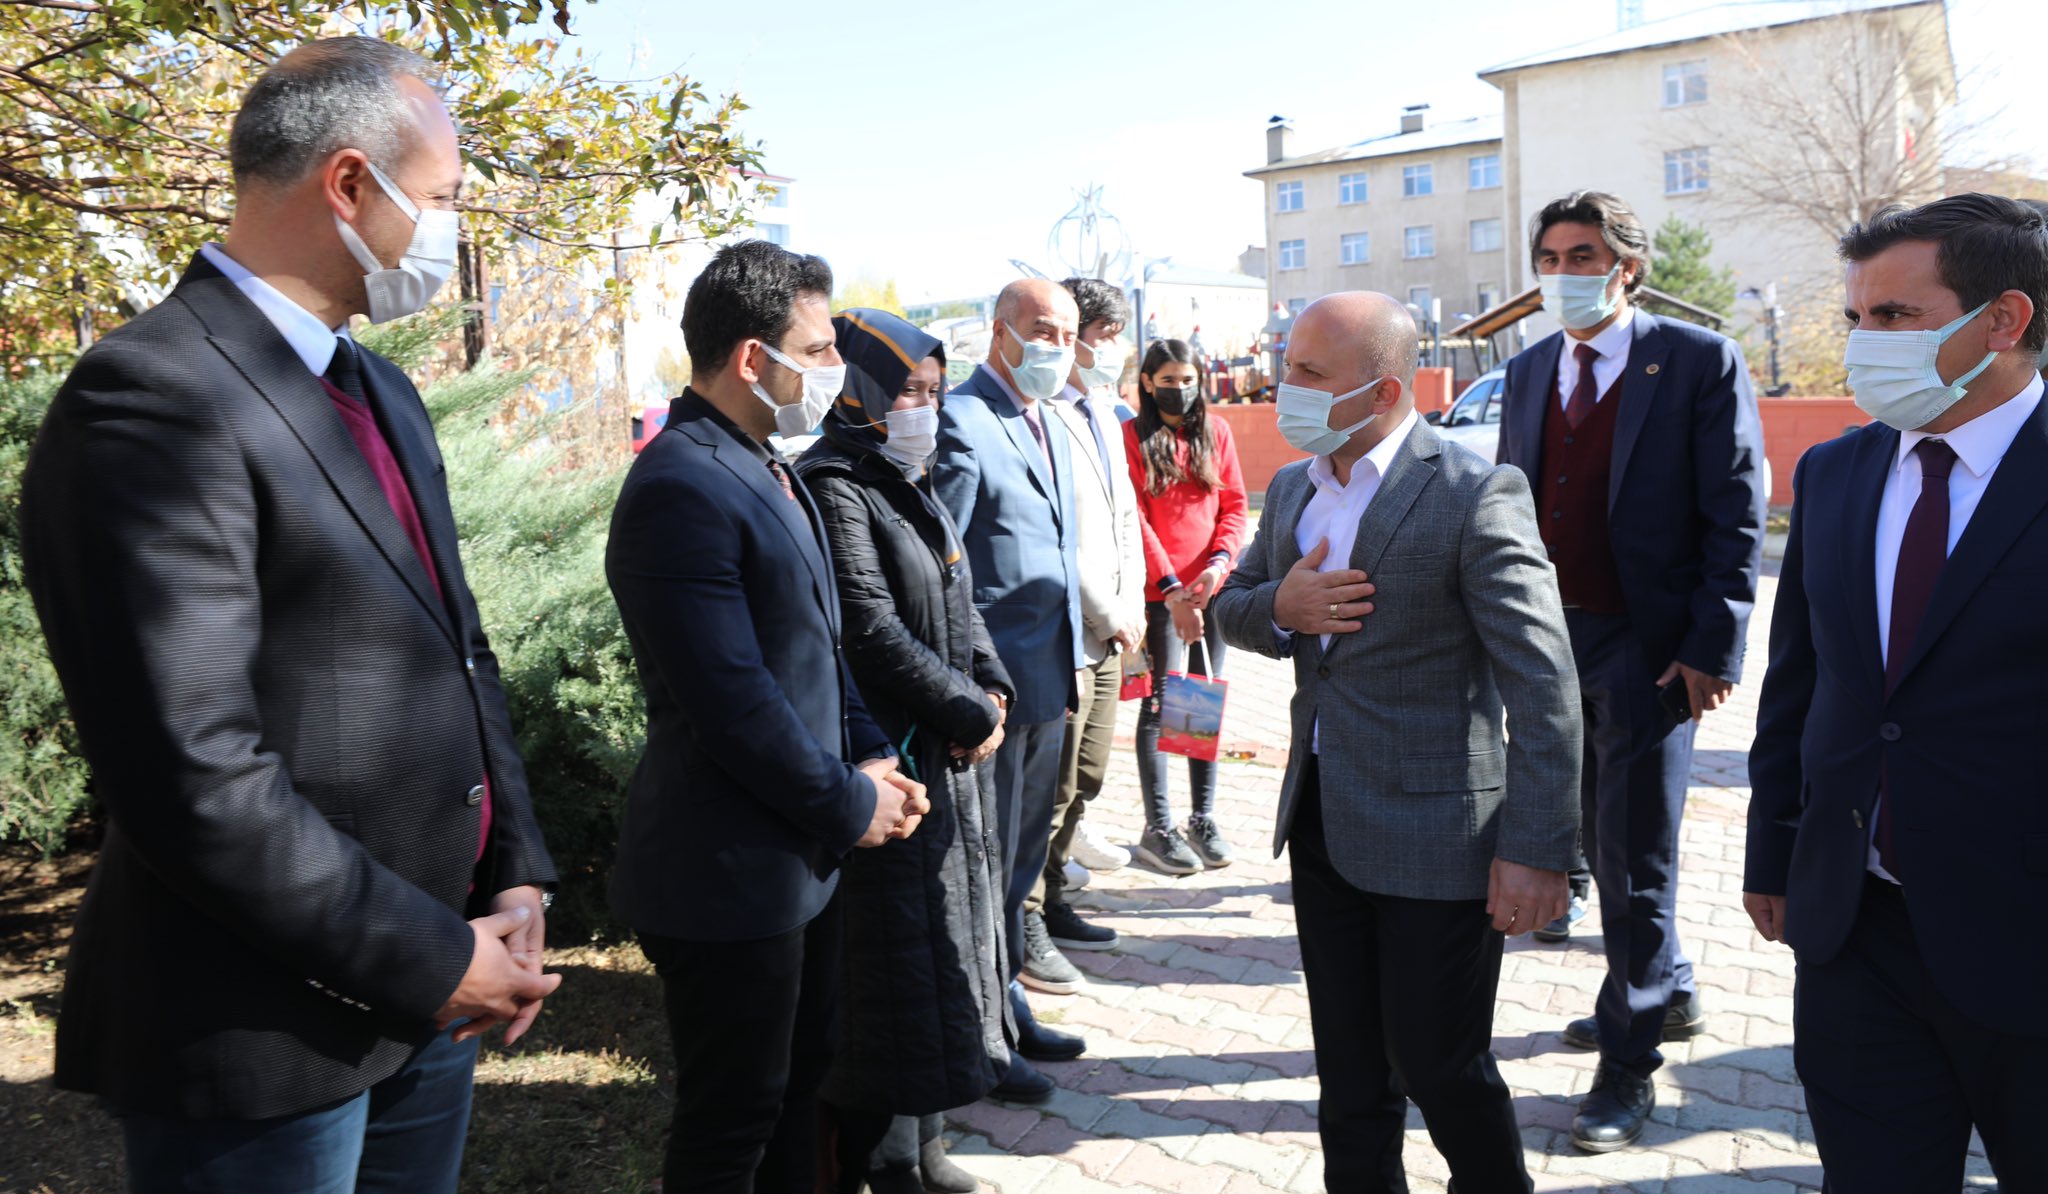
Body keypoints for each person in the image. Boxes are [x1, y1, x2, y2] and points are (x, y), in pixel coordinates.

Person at [17, 38, 560, 1193]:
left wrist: (511, 874)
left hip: (433, 991)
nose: (454, 231)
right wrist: (426, 957)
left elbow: (460, 650)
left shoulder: (381, 389)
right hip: (264, 1031)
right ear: (351, 185)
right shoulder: (153, 395)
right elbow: (192, 772)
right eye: (448, 197)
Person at [1212, 291, 1581, 1194]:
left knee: (1440, 1068)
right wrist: (1281, 611)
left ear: (1380, 393)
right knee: (1347, 1075)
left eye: (1306, 373)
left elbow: (1544, 686)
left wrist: (1537, 853)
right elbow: (1233, 609)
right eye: (1282, 365)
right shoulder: (1297, 485)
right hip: (1323, 822)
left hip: (1439, 839)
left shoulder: (1472, 492)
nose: (1280, 387)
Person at [605, 241, 931, 1193]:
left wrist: (873, 758)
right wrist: (845, 801)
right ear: (754, 358)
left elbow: (817, 648)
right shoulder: (680, 483)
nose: (835, 372)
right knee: (733, 1118)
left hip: (799, 858)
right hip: (727, 874)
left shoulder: (763, 463)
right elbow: (731, 700)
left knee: (795, 1093)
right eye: (820, 349)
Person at [1744, 192, 2048, 1191]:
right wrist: (1772, 852)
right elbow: (1799, 683)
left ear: (2001, 321)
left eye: (1893, 318)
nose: (1863, 344)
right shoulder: (1834, 473)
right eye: (1854, 319)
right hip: (1854, 934)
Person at [1495, 191, 1766, 1151]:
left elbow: (1736, 511)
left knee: (1633, 858)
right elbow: (1509, 512)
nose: (1565, 273)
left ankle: (1628, 1064)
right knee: (1580, 835)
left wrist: (1712, 646)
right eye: (1552, 256)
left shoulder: (1694, 361)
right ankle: (1666, 991)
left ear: (1627, 267)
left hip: (1649, 650)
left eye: (1585, 255)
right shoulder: (1527, 371)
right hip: (1547, 647)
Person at [794, 308, 1012, 1194]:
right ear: (859, 390)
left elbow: (964, 596)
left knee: (946, 949)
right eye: (907, 390)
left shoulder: (905, 475)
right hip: (894, 762)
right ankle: (884, 1157)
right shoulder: (836, 481)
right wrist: (967, 709)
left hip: (947, 752)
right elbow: (870, 627)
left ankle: (925, 1143)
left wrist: (993, 685)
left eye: (933, 390)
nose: (925, 406)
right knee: (892, 971)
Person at [930, 278, 1089, 1101]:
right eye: (1040, 330)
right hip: (994, 695)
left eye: (1065, 332)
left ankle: (1011, 1005)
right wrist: (966, 685)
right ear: (1001, 333)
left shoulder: (1049, 421)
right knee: (985, 870)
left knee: (1020, 868)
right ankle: (984, 1038)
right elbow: (945, 569)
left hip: (1050, 678)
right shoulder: (962, 418)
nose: (1056, 347)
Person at [1029, 276, 1147, 962]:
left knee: (1091, 774)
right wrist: (1107, 611)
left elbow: (1121, 519)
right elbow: (1056, 534)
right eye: (1102, 338)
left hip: (1114, 626)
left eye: (1108, 338)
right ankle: (1030, 913)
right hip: (1071, 629)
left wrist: (1130, 607)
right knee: (1057, 779)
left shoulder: (1106, 409)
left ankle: (1056, 896)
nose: (1111, 350)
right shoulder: (1043, 414)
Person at [1124, 339, 1249, 873]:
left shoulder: (1215, 432)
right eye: (1168, 380)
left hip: (1211, 589)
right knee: (1160, 708)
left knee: (1198, 704)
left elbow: (1235, 506)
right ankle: (1158, 828)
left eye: (1188, 378)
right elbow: (1136, 518)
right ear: (1149, 383)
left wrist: (1217, 568)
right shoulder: (1131, 437)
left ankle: (1202, 818)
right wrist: (1173, 590)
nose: (1180, 389)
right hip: (1161, 597)